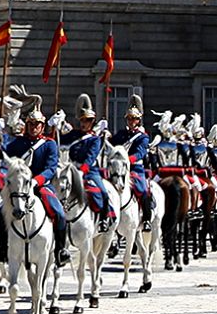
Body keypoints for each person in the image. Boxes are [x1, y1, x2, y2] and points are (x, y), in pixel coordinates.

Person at [3, 96, 71, 266]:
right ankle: (3, 249)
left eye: (37, 125)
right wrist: (0, 133)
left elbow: (51, 168)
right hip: (18, 186)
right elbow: (4, 156)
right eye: (31, 124)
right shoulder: (18, 143)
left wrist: (37, 181)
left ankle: (60, 250)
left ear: (42, 126)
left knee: (59, 213)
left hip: (40, 185)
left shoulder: (49, 144)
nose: (34, 128)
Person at [59, 94, 116, 232]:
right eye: (83, 120)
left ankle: (104, 218)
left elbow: (91, 157)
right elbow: (58, 141)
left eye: (88, 120)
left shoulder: (95, 139)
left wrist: (83, 170)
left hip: (90, 172)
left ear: (92, 122)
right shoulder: (73, 135)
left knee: (103, 192)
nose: (85, 123)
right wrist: (56, 127)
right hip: (72, 169)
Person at [116, 94, 154, 231]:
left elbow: (140, 153)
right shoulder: (121, 135)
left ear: (138, 120)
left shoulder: (142, 137)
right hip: (120, 169)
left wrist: (127, 160)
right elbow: (112, 145)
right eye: (129, 119)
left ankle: (147, 219)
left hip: (135, 169)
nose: (131, 121)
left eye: (134, 119)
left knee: (143, 190)